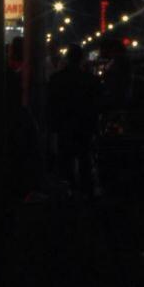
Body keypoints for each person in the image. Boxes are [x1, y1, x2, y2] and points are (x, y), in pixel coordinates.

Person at [48, 44, 94, 187]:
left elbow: (51, 103)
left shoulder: (57, 78)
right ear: (82, 59)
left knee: (65, 159)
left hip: (64, 124)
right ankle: (86, 190)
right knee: (84, 158)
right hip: (84, 125)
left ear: (67, 58)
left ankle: (68, 189)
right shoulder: (90, 80)